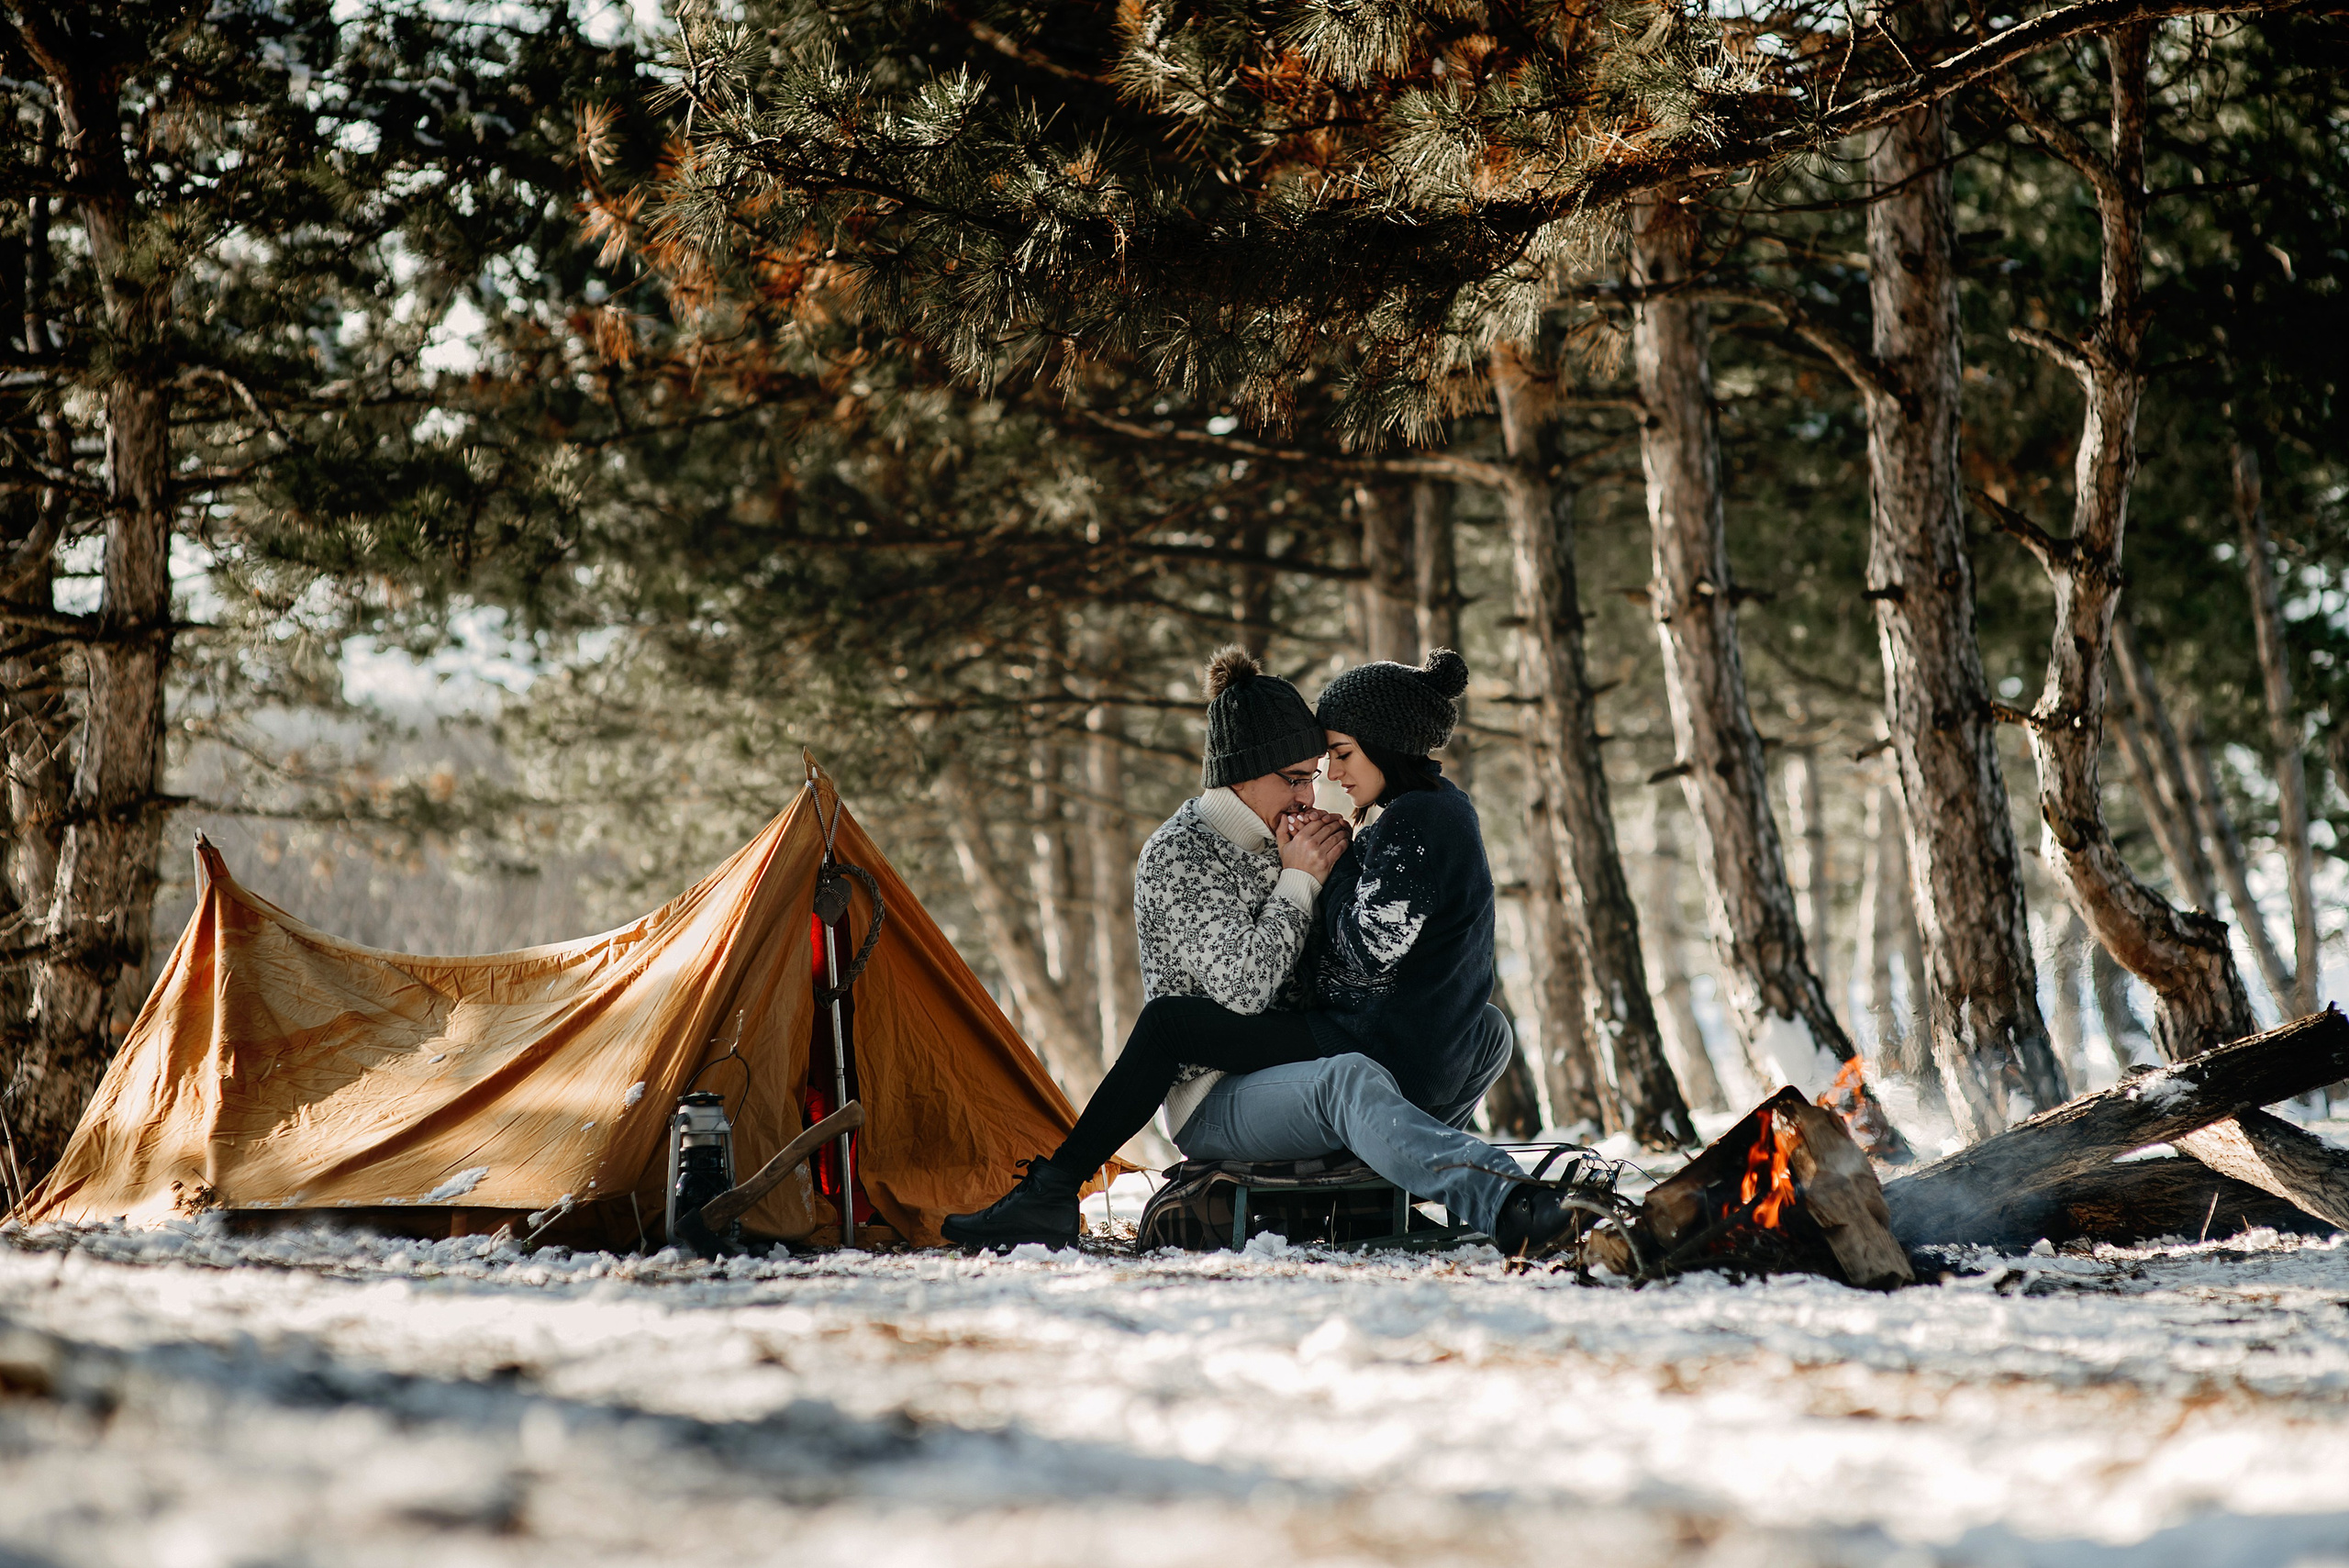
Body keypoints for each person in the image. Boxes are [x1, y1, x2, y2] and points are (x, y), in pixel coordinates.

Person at [941, 647, 1591, 1259]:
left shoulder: (1300, 833)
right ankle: (1509, 1203)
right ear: (1244, 773)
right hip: (1221, 1093)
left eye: (1316, 774)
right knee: (1349, 1078)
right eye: (1296, 778)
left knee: (1482, 1034)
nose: (1312, 795)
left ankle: (1381, 1185)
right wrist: (1302, 878)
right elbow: (1246, 991)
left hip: (1304, 1052)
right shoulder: (1179, 855)